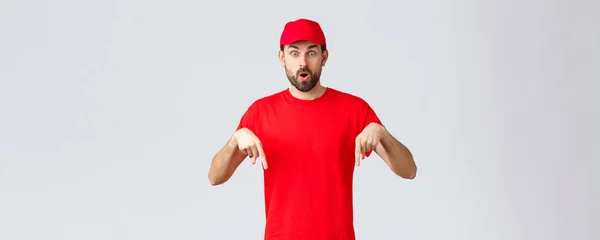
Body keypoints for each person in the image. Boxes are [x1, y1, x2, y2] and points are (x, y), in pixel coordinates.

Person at [208, 18, 417, 240]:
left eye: (312, 53)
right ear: (282, 58)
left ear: (324, 57)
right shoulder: (261, 112)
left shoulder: (354, 110)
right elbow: (215, 177)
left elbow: (409, 171)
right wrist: (234, 140)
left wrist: (381, 133)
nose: (303, 63)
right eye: (294, 53)